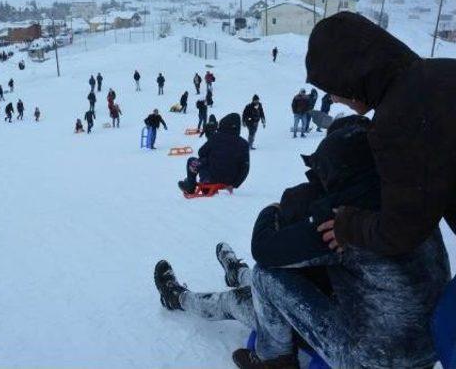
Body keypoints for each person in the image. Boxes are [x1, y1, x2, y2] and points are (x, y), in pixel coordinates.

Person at [158, 123, 450, 369]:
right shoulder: (407, 205)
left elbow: (267, 250)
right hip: (424, 349)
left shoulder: (344, 219)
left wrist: (273, 210)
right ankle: (237, 272)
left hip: (372, 355)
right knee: (282, 279)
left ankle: (179, 297)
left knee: (256, 286)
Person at [305, 11, 456, 256]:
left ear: (349, 75)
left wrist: (348, 225)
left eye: (332, 87)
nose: (333, 98)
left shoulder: (399, 121)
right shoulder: (442, 71)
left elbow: (401, 232)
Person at [178, 113, 249, 194]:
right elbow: (245, 168)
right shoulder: (244, 144)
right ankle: (206, 181)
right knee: (209, 160)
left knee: (193, 161)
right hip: (230, 180)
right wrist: (235, 184)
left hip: (213, 178)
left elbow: (201, 152)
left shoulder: (216, 137)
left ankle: (192, 185)